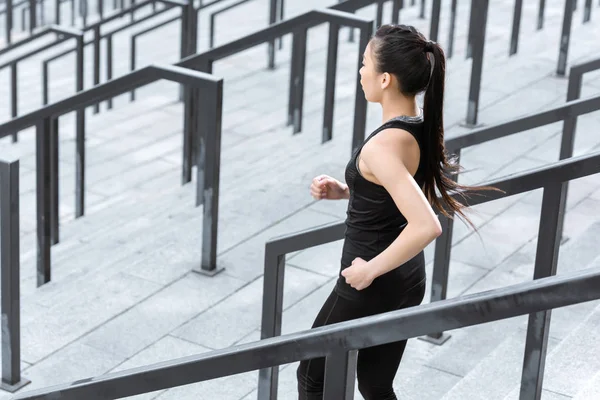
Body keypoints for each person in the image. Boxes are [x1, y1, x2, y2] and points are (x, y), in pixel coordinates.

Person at [297, 24, 490, 400]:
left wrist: (367, 271)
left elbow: (426, 225)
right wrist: (348, 191)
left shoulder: (383, 146)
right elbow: (396, 189)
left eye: (364, 63)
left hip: (371, 280)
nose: (360, 71)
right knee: (374, 382)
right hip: (407, 277)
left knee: (311, 375)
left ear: (385, 79)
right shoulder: (418, 126)